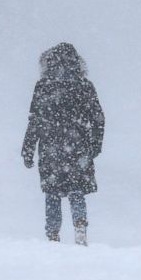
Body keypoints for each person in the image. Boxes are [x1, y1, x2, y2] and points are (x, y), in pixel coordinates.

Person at [21, 42, 105, 245]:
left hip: (51, 145)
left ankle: (52, 234)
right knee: (76, 189)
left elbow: (35, 120)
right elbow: (97, 117)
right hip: (78, 145)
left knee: (52, 191)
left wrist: (28, 148)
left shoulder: (43, 86)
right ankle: (80, 226)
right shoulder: (84, 85)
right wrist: (95, 144)